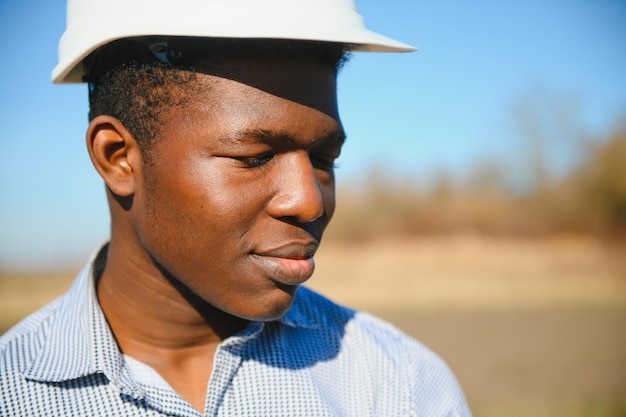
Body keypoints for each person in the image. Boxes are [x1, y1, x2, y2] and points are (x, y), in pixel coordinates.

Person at [0, 1, 472, 415]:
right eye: (254, 158)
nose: (307, 201)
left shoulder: (399, 386)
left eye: (325, 160)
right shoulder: (12, 393)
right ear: (118, 158)